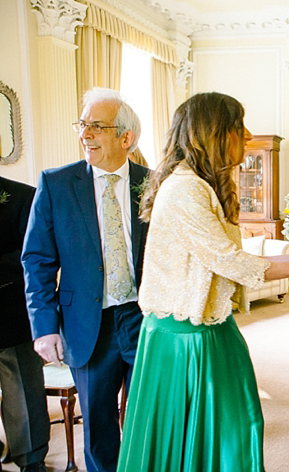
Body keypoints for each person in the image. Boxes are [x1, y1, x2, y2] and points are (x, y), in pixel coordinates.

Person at [116, 92, 289, 472]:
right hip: (184, 340)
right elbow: (229, 261)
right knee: (225, 431)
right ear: (214, 133)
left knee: (235, 426)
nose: (249, 133)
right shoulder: (185, 188)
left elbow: (222, 256)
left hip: (210, 329)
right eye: (239, 126)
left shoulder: (202, 184)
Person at [22, 88, 149, 472]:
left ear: (126, 137)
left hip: (146, 317)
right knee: (98, 429)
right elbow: (37, 260)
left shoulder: (155, 184)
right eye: (82, 124)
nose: (85, 134)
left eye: (96, 126)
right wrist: (44, 328)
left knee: (153, 419)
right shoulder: (56, 184)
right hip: (86, 325)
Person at [0, 176, 50, 472]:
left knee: (22, 390)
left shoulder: (21, 195)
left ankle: (31, 461)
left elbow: (31, 253)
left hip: (10, 312)